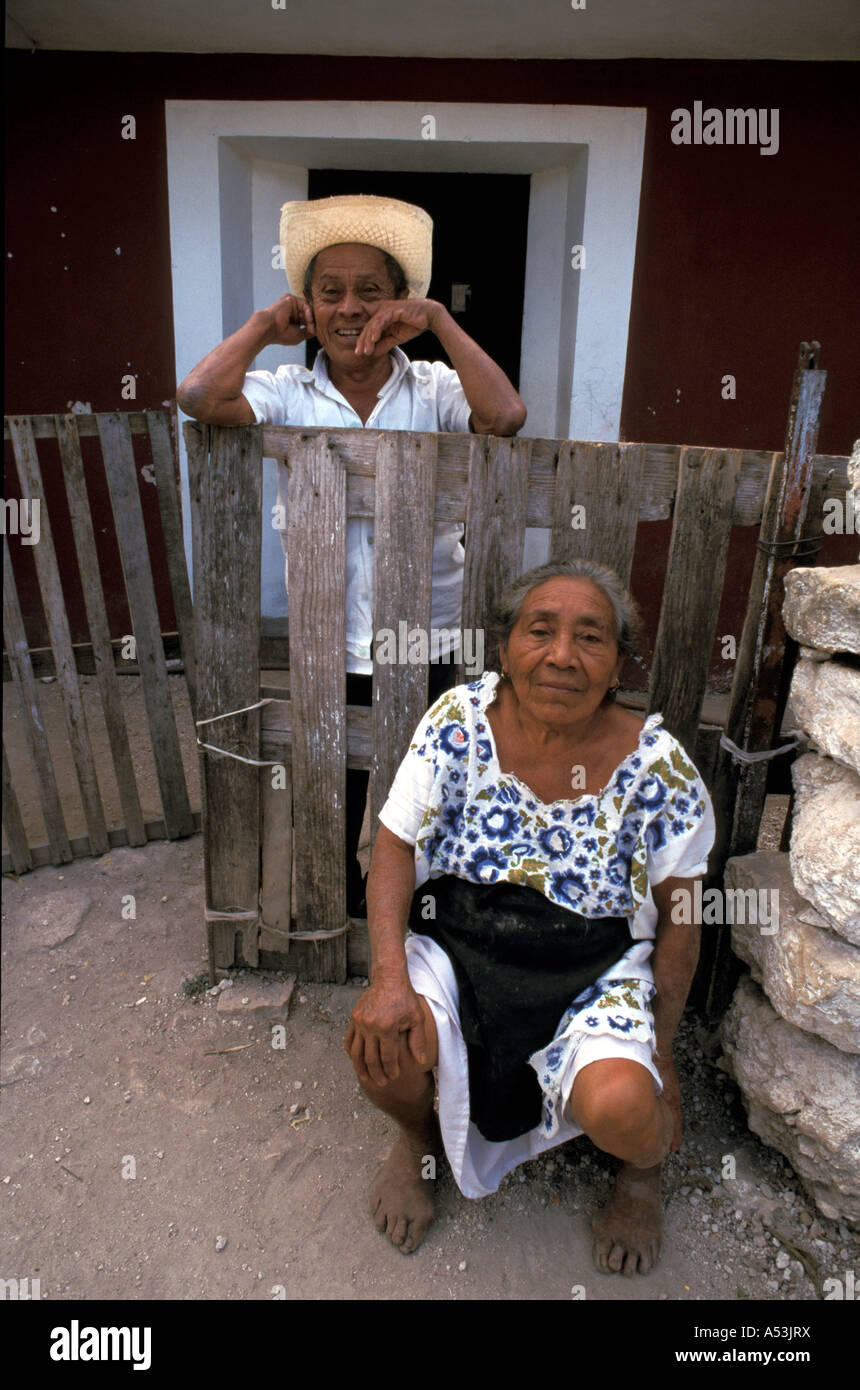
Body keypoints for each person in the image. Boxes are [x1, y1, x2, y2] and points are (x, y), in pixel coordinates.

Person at [345, 559, 716, 1274]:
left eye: (591, 638)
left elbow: (683, 920)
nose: (561, 656)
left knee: (625, 1105)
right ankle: (420, 1142)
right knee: (383, 1046)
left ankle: (640, 1176)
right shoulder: (458, 723)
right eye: (539, 631)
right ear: (506, 648)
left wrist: (662, 1050)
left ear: (617, 665)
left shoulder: (659, 768)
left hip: (592, 971)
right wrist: (390, 977)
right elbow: (392, 844)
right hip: (459, 948)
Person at [177, 193, 527, 911]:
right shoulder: (286, 391)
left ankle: (414, 919)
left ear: (400, 303)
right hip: (326, 641)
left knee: (425, 794)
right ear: (307, 307)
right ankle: (336, 910)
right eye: (329, 293)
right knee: (328, 788)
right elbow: (199, 396)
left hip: (428, 635)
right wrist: (261, 326)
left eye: (371, 293)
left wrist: (440, 322)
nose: (349, 309)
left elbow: (504, 416)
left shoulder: (432, 390)